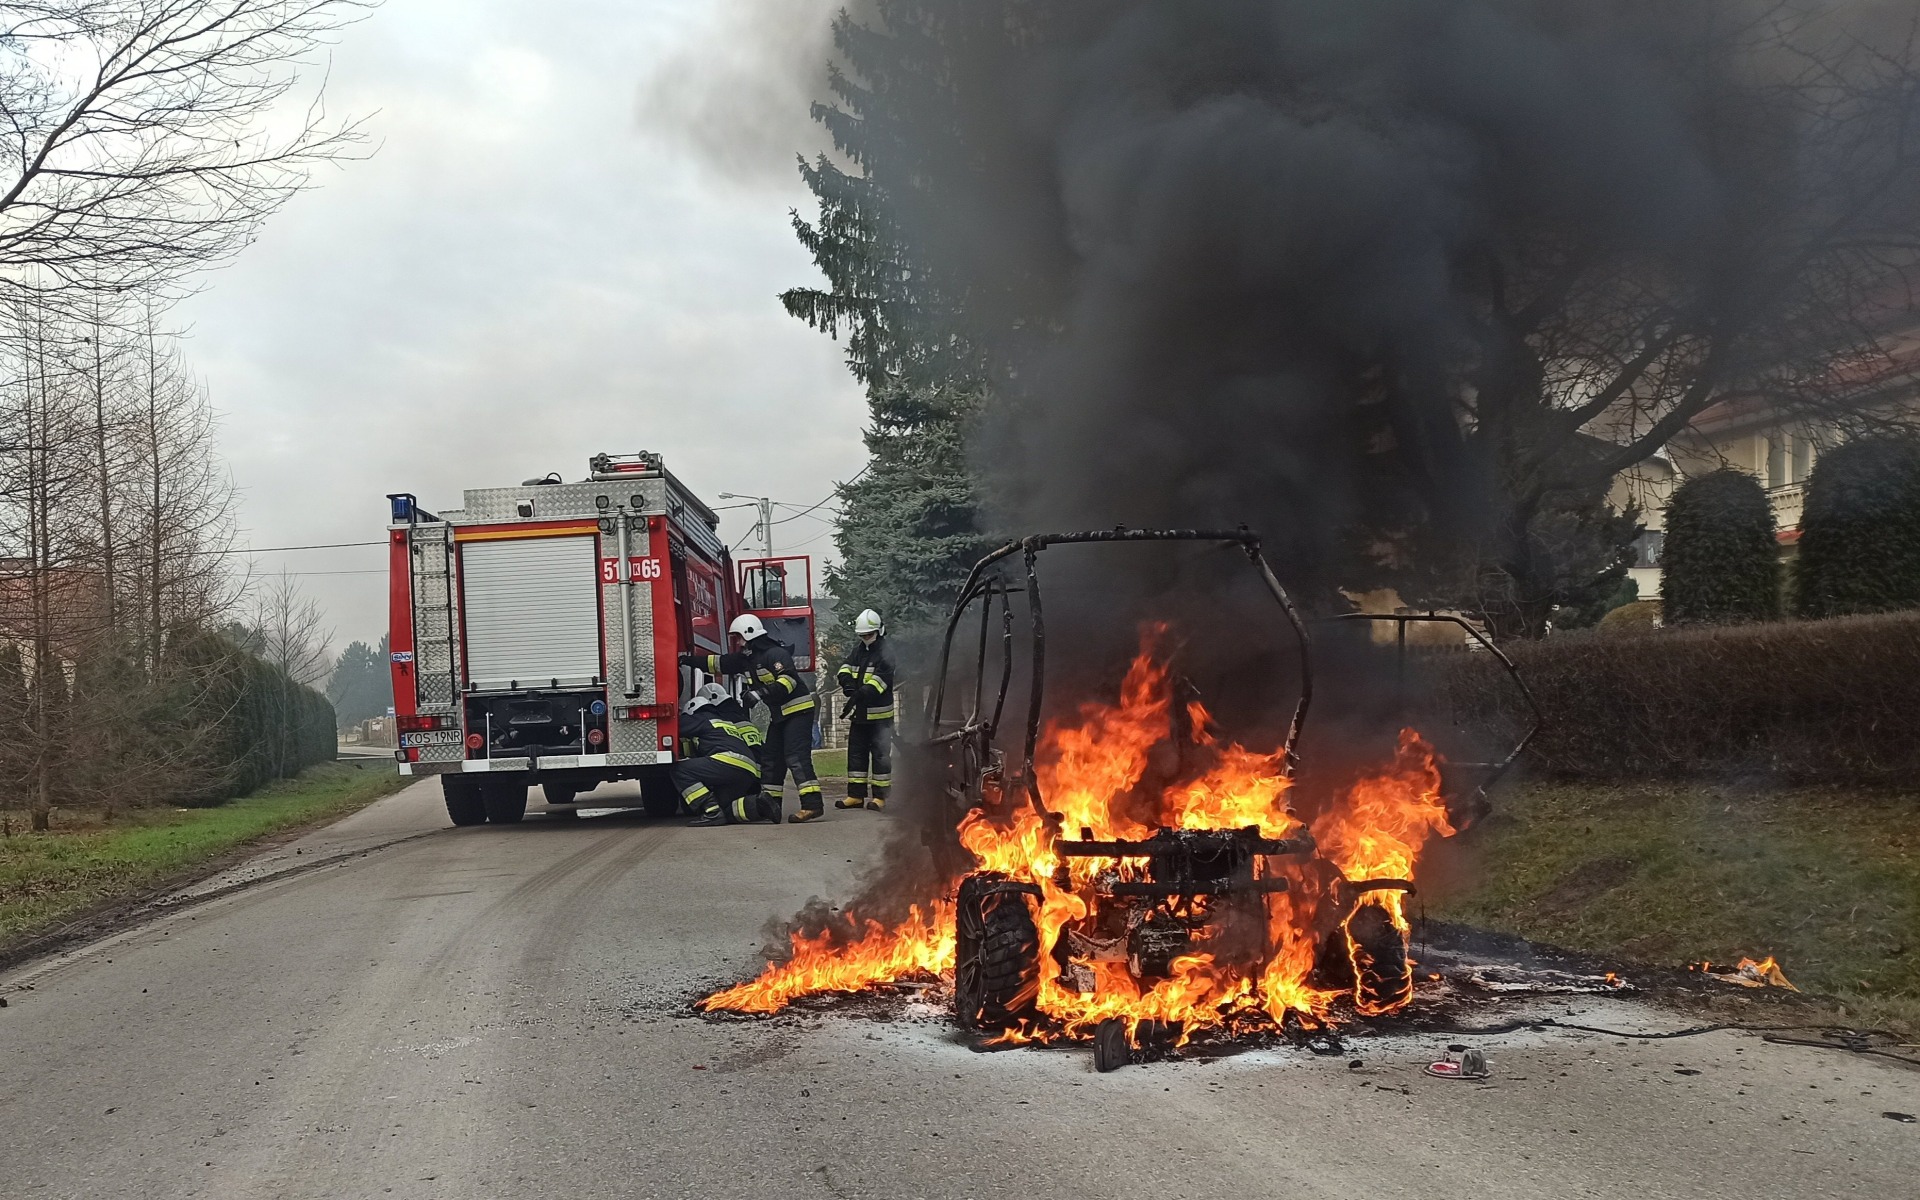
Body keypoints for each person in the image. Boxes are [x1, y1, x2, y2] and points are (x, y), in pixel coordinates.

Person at [682, 614, 825, 823]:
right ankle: (771, 805)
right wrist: (686, 660)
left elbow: (789, 681)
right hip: (780, 716)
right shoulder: (747, 660)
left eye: (739, 637)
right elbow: (718, 663)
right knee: (771, 759)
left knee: (795, 757)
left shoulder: (775, 654)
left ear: (749, 633)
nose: (738, 642)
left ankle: (812, 805)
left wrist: (759, 694)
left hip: (798, 712)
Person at [673, 685, 777, 827]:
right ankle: (760, 805)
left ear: (692, 711)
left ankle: (712, 812)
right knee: (724, 807)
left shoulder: (701, 718)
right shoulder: (724, 721)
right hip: (748, 770)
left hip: (729, 761)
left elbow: (675, 727)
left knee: (679, 769)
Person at [833, 608, 895, 812]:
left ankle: (880, 797)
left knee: (880, 757)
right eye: (862, 635)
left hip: (880, 718)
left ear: (879, 631)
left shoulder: (886, 652)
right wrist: (847, 684)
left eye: (869, 635)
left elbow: (880, 682)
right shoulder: (858, 650)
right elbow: (845, 667)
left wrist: (860, 694)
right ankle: (855, 795)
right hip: (860, 716)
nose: (865, 639)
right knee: (856, 755)